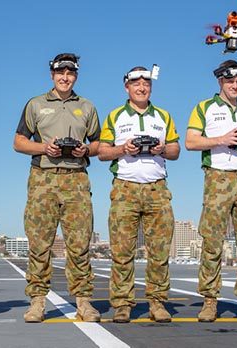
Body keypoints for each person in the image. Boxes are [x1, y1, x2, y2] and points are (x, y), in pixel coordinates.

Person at [13, 53, 102, 323]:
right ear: (52, 74)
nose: (65, 77)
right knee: (40, 243)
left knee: (80, 244)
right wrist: (44, 147)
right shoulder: (36, 104)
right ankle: (37, 302)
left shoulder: (86, 107)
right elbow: (18, 141)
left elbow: (99, 144)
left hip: (76, 179)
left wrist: (86, 149)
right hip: (43, 178)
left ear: (76, 76)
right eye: (60, 73)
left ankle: (84, 302)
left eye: (70, 73)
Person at [185, 60, 237, 323]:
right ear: (220, 81)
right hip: (218, 177)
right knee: (212, 241)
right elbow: (190, 142)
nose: (235, 85)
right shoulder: (204, 108)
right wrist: (223, 139)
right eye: (230, 81)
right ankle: (210, 301)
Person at [98, 66, 180, 323]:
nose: (142, 87)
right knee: (122, 251)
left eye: (146, 84)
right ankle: (122, 304)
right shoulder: (115, 116)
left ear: (151, 88)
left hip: (157, 187)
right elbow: (102, 152)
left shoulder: (163, 116)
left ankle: (157, 303)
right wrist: (124, 148)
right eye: (136, 84)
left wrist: (161, 149)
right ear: (127, 87)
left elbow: (176, 150)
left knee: (160, 250)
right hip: (125, 187)